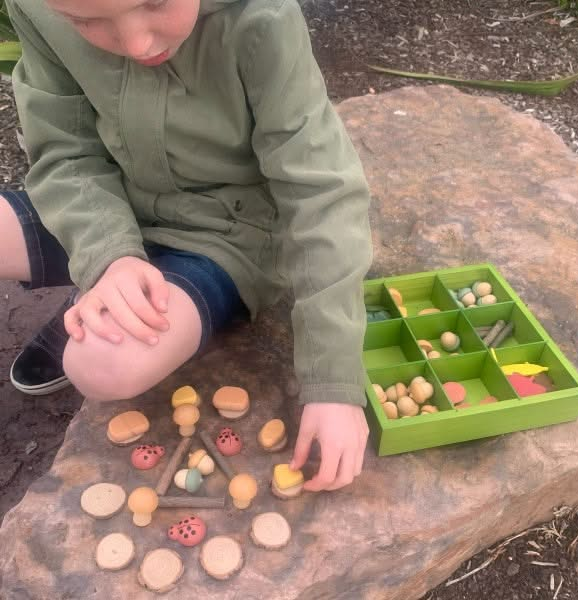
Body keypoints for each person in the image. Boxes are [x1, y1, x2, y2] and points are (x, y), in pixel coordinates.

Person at [3, 0, 373, 491]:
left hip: (223, 236)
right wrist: (109, 258)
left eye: (154, 2)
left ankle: (107, 304)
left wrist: (334, 384)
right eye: (88, 21)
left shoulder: (261, 18)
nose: (137, 44)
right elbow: (66, 153)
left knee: (100, 364)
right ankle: (102, 290)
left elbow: (321, 192)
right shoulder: (39, 7)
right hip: (112, 201)